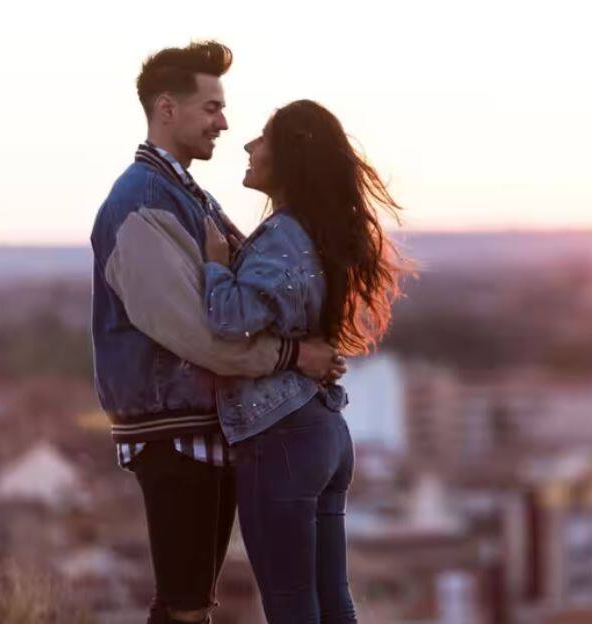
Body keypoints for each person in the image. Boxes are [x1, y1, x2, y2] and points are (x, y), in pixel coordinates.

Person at [89, 42, 345, 624]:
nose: (224, 123)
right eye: (211, 107)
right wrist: (294, 355)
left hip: (207, 429)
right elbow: (201, 335)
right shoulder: (139, 202)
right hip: (171, 433)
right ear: (166, 108)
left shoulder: (186, 194)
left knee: (195, 605)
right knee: (183, 608)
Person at [201, 99, 408, 623]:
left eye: (262, 138)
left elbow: (230, 318)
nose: (249, 146)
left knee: (291, 607)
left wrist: (214, 266)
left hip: (281, 438)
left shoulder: (282, 238)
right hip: (323, 435)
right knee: (333, 604)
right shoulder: (312, 234)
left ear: (288, 158)